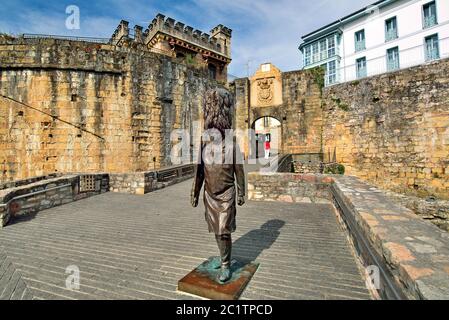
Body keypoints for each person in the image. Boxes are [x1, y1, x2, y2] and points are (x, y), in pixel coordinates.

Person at [191, 88, 246, 284]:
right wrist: (195, 192)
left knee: (224, 229)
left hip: (227, 192)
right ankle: (222, 257)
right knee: (216, 228)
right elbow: (199, 168)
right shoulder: (204, 140)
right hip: (209, 193)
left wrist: (241, 191)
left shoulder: (231, 141)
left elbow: (239, 169)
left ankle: (225, 264)